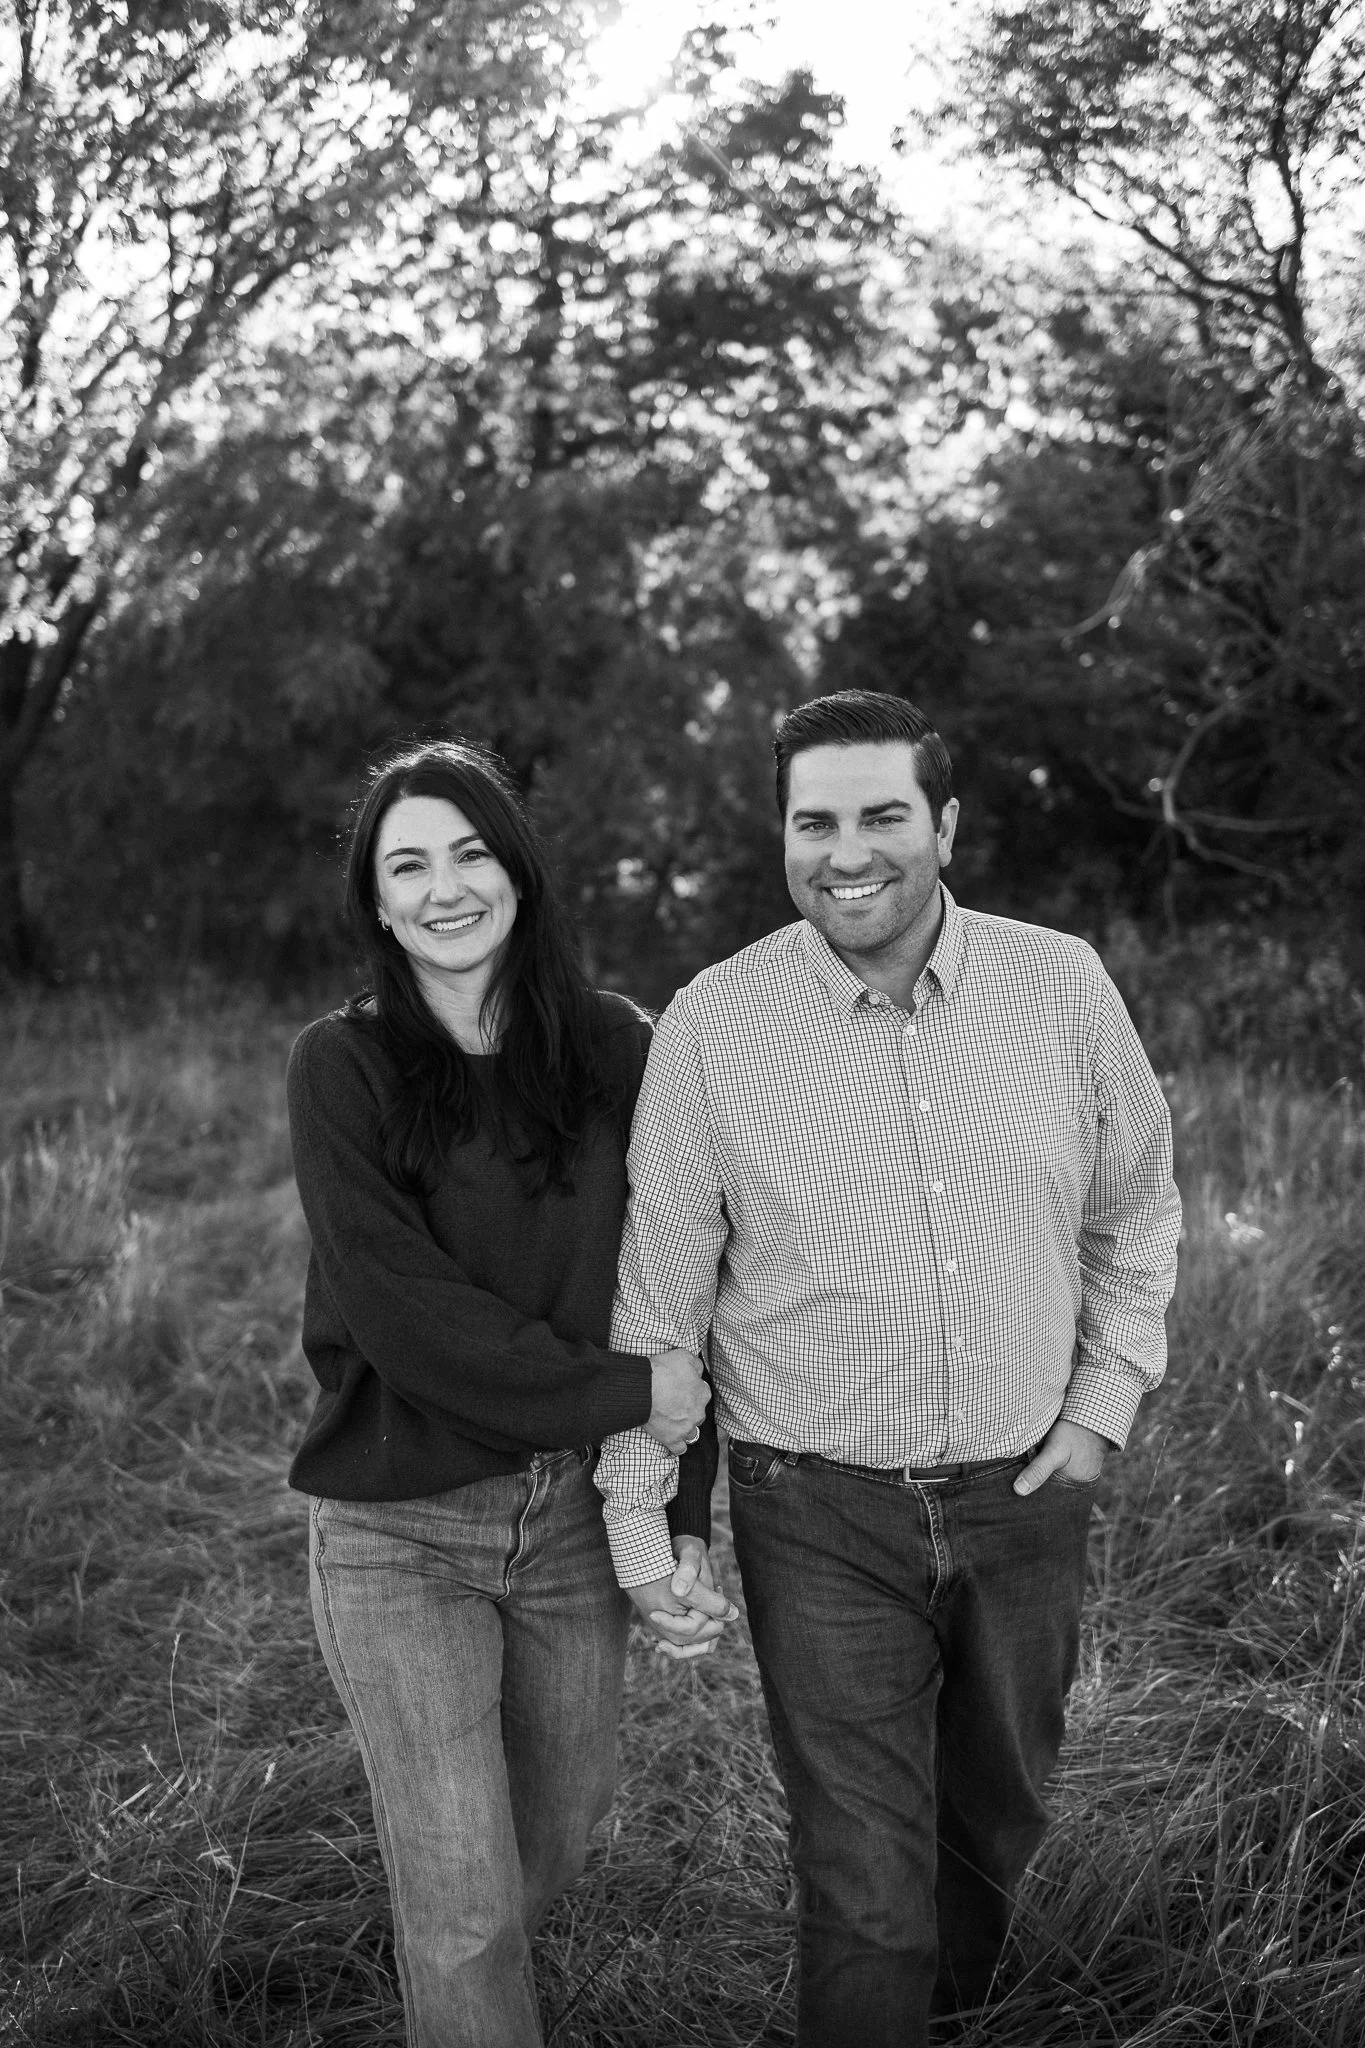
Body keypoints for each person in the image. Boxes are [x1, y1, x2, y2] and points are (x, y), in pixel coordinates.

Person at [595, 690, 1181, 2045]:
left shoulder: (1061, 987)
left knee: (996, 1821)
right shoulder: (712, 1026)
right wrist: (641, 1515)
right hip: (815, 1508)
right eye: (815, 823)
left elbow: (1137, 1206)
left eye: (881, 817)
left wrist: (1101, 1406)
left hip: (1026, 1495)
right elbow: (660, 1294)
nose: (846, 854)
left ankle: (955, 2016)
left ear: (945, 824)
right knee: (865, 1887)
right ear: (782, 835)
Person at [285, 738, 718, 2048]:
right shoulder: (343, 1066)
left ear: (517, 870)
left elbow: (680, 1282)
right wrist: (626, 1392)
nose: (445, 888)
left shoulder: (618, 1046)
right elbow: (410, 1322)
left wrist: (680, 1516)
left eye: (471, 853)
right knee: (465, 1901)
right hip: (401, 1525)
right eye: (407, 866)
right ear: (376, 902)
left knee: (563, 1828)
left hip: (575, 1522)